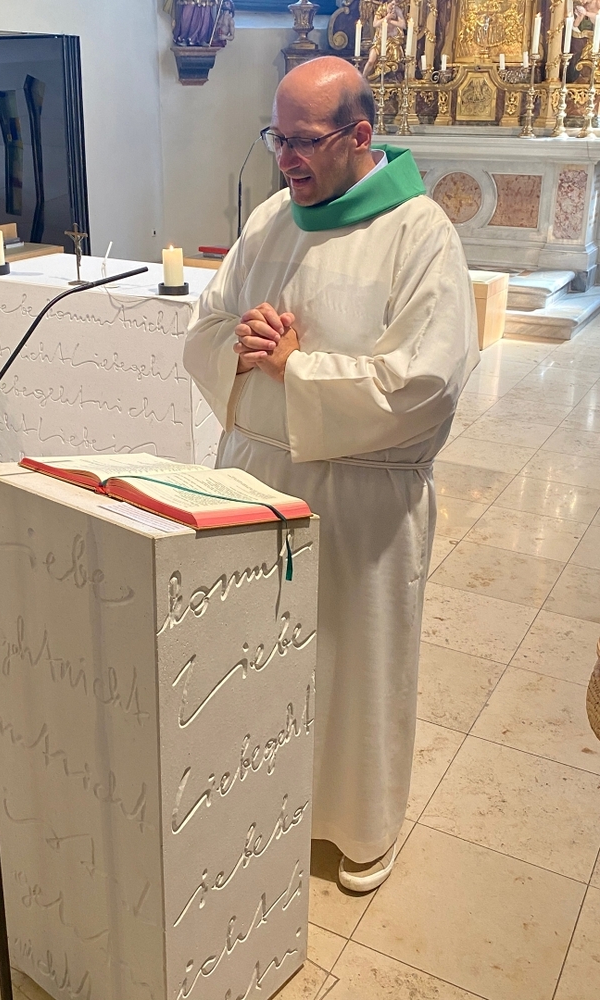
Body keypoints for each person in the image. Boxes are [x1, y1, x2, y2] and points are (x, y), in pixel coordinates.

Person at [184, 55, 478, 892]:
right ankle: (261, 801)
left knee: (356, 665)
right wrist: (241, 343)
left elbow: (427, 381)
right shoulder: (269, 219)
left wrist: (298, 370)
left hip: (360, 501)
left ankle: (361, 827)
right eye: (276, 138)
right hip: (254, 481)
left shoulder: (419, 233)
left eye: (304, 141)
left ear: (358, 135)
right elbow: (205, 327)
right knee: (255, 655)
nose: (285, 158)